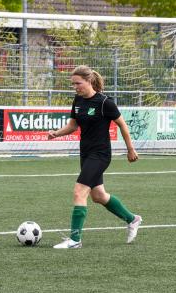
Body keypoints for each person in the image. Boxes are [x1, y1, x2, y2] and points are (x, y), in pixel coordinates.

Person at [47, 65, 142, 249]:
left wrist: (131, 149)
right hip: (86, 153)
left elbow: (122, 124)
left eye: (78, 83)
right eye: (73, 84)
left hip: (100, 154)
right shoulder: (78, 100)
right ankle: (132, 219)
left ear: (89, 81)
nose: (75, 87)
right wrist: (56, 133)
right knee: (98, 196)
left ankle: (75, 240)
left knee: (79, 192)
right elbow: (73, 125)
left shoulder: (105, 102)